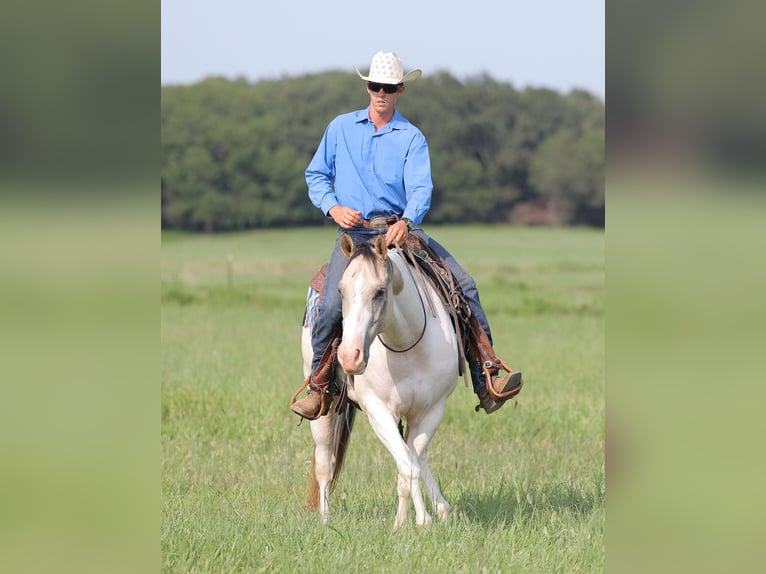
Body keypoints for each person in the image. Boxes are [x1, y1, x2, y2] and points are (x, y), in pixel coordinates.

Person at [290, 51, 523, 420]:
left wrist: (407, 220)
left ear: (400, 90)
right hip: (353, 237)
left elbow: (420, 189)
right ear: (367, 87)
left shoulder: (412, 137)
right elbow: (315, 175)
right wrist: (333, 208)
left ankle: (486, 376)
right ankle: (321, 387)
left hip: (398, 233)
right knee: (333, 305)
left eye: (388, 87)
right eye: (374, 86)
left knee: (464, 284)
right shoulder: (339, 128)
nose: (380, 92)